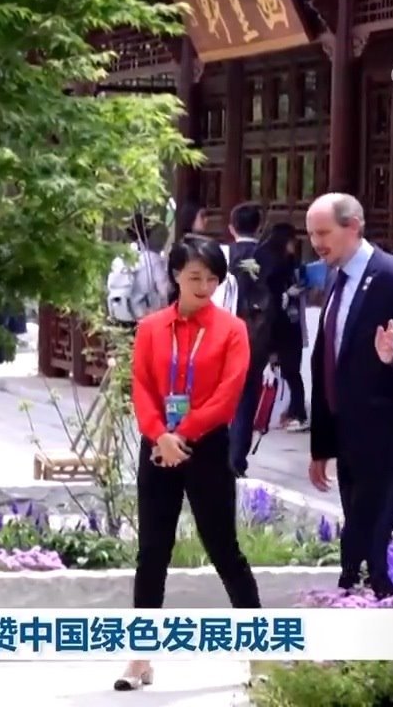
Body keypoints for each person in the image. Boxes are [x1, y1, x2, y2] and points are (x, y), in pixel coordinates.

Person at [116, 234, 261, 691]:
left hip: (207, 447)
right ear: (176, 275)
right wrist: (159, 433)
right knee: (152, 553)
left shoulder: (232, 329)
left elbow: (228, 395)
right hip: (158, 446)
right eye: (195, 277)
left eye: (212, 279)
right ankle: (140, 659)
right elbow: (142, 386)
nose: (203, 287)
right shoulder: (151, 327)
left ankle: (262, 654)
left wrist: (183, 434)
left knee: (224, 550)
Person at [305, 193, 393, 598]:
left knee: (366, 548)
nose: (316, 243)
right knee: (359, 543)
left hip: (386, 433)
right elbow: (328, 361)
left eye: (324, 233)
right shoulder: (336, 277)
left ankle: (363, 613)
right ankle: (366, 610)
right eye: (312, 234)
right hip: (347, 434)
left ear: (354, 226)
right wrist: (321, 446)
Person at [224, 202, 281, 476]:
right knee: (247, 397)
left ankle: (214, 454)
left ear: (231, 227)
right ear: (259, 227)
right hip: (256, 337)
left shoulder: (223, 256)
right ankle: (236, 459)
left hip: (223, 333)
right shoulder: (268, 257)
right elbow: (277, 302)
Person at [263, 222, 308, 431]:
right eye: (291, 241)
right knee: (282, 371)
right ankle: (286, 411)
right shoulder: (271, 264)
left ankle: (297, 412)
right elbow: (271, 296)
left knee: (291, 371)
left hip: (290, 324)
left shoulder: (291, 263)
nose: (293, 245)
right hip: (276, 325)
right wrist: (286, 294)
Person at [105, 214, 170, 328]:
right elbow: (164, 291)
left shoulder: (120, 257)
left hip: (119, 315)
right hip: (143, 316)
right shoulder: (153, 259)